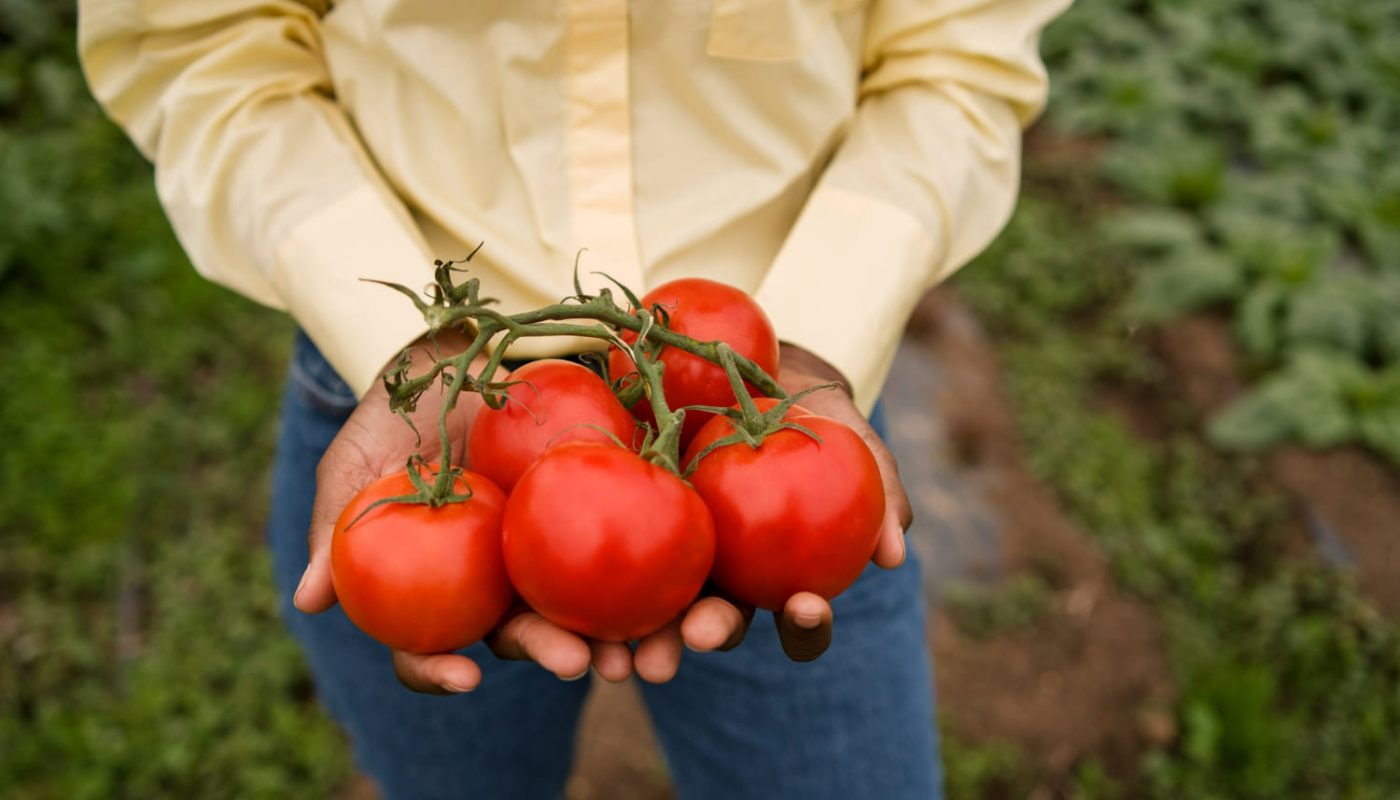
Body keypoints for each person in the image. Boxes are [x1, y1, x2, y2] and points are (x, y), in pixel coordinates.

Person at [79, 2, 1067, 797]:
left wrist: (809, 342)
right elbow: (201, 40)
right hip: (423, 427)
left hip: (774, 404)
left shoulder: (774, 414)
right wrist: (407, 338)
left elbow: (956, 53)